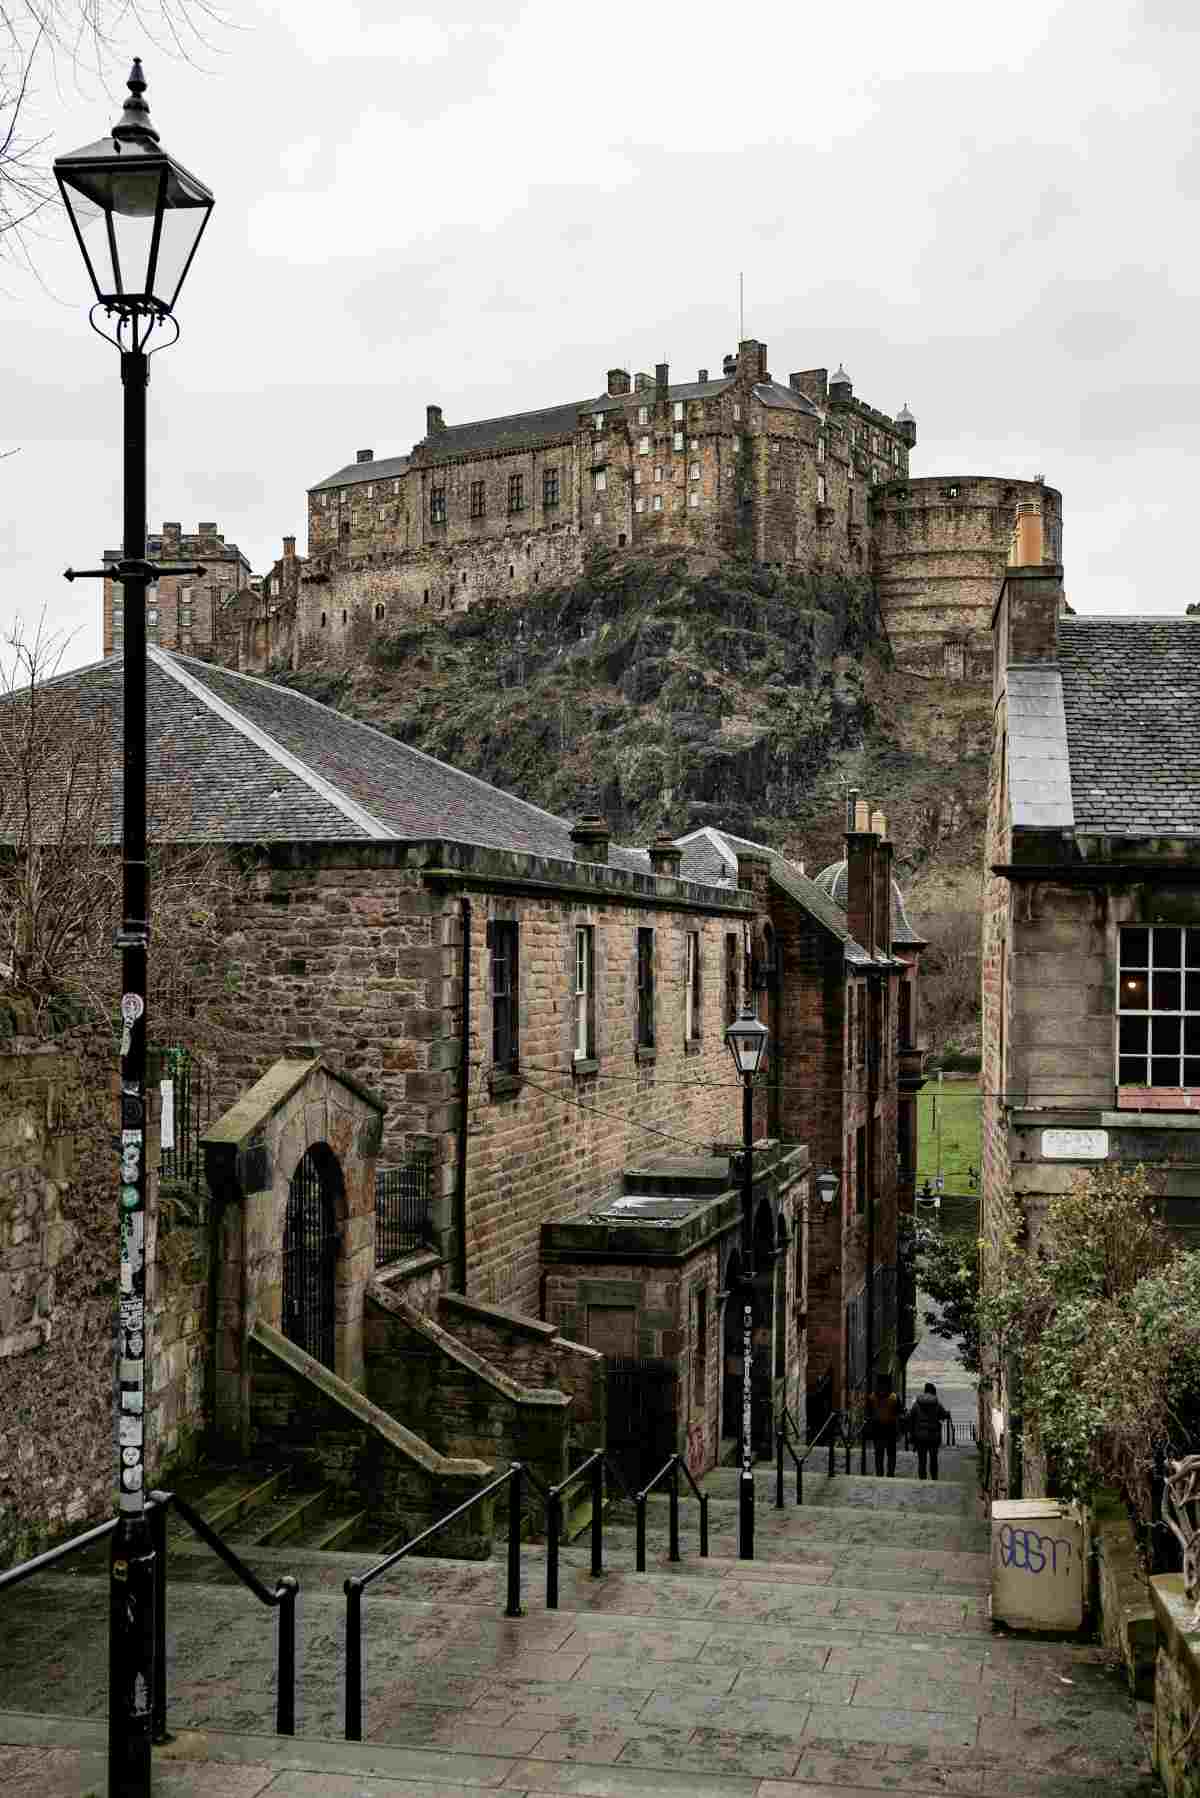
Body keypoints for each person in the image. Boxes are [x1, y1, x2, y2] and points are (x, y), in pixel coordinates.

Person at [907, 1381, 951, 1481]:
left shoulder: (916, 1404)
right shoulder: (937, 1404)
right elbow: (943, 1415)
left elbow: (910, 1417)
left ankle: (922, 1479)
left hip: (920, 1435)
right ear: (933, 1391)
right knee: (933, 1459)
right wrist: (946, 1414)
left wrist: (912, 1434)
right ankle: (934, 1478)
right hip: (933, 1435)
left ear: (925, 1390)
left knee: (922, 1460)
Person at [869, 1375, 902, 1477]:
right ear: (889, 1384)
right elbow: (898, 1413)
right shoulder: (894, 1397)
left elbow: (869, 1413)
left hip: (877, 1428)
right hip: (890, 1428)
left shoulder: (872, 1397)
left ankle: (879, 1473)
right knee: (891, 1453)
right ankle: (890, 1473)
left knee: (879, 1453)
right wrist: (899, 1431)